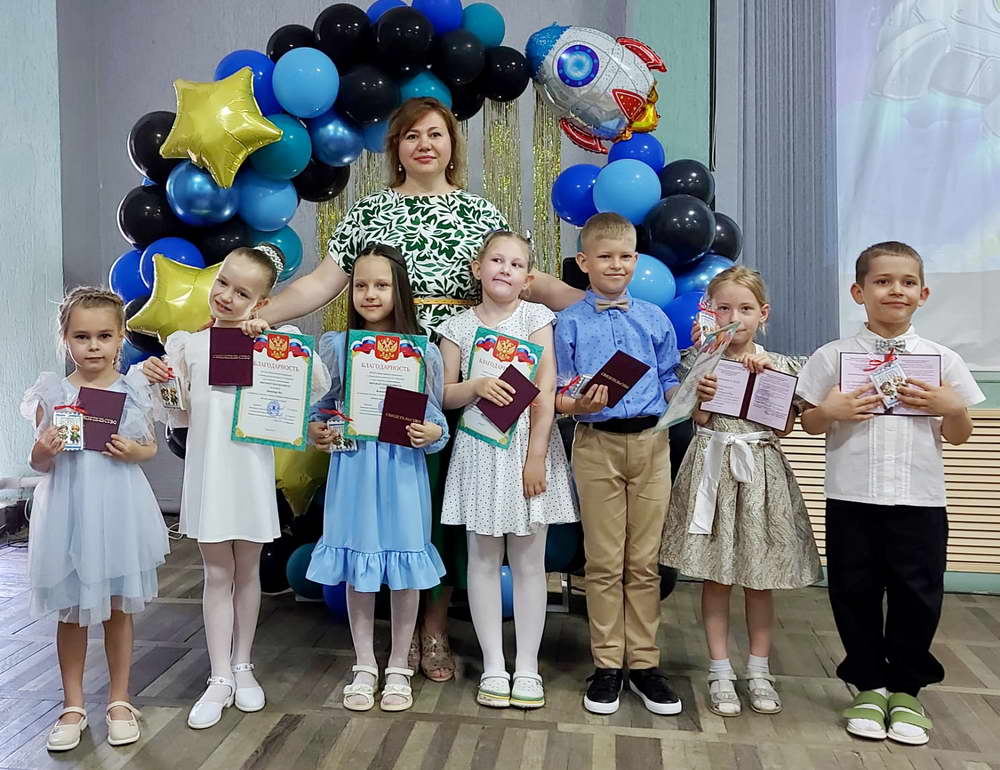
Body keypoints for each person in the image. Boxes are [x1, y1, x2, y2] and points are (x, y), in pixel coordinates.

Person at [246, 97, 582, 682]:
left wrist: (598, 304)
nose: (424, 144)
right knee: (402, 505)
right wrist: (258, 314)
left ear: (452, 145)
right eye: (411, 136)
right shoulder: (368, 212)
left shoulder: (479, 212)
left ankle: (434, 629)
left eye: (436, 134)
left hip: (458, 377)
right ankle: (385, 642)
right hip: (381, 380)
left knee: (447, 514)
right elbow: (322, 284)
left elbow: (525, 278)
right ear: (395, 149)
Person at [796, 241, 984, 745]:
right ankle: (868, 685)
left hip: (920, 499)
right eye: (882, 281)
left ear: (923, 294)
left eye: (906, 282)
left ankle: (906, 690)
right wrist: (829, 412)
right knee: (852, 590)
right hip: (851, 496)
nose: (895, 290)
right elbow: (809, 422)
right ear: (858, 292)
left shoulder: (943, 360)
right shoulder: (831, 356)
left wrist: (952, 407)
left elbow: (960, 435)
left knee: (917, 594)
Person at [142, 246, 328, 729]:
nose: (226, 296)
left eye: (242, 293)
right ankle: (219, 675)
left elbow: (316, 383)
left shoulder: (273, 344)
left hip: (250, 474)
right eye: (223, 282)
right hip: (209, 475)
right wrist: (158, 378)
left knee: (247, 572)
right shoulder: (189, 345)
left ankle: (243, 664)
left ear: (261, 302)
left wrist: (274, 341)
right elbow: (178, 413)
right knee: (216, 573)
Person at [660, 266, 822, 718]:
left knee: (759, 578)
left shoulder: (781, 365)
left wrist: (766, 382)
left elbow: (785, 427)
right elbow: (694, 418)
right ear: (709, 312)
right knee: (716, 577)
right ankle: (719, 669)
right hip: (712, 468)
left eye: (746, 309)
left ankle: (758, 669)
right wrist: (705, 388)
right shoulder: (697, 361)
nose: (735, 318)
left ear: (762, 314)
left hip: (760, 474)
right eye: (724, 308)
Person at [23, 287, 169, 751]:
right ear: (65, 338)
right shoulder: (52, 393)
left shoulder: (133, 390)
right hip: (69, 509)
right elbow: (39, 464)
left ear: (121, 337)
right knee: (71, 611)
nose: (93, 346)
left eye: (104, 336)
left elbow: (149, 447)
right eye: (82, 337)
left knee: (118, 609)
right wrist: (43, 450)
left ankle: (120, 700)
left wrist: (133, 452)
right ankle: (73, 705)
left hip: (117, 507)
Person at [437, 231, 578, 709]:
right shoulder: (456, 327)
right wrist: (476, 386)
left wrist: (536, 455)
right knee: (481, 559)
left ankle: (528, 667)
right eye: (496, 260)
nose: (505, 270)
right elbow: (444, 394)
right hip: (479, 449)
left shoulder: (537, 318)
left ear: (527, 278)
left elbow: (546, 388)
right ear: (477, 268)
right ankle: (494, 665)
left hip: (526, 449)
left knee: (529, 562)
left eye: (516, 264)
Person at [307, 244, 449, 713]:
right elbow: (321, 409)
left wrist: (432, 432)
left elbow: (435, 418)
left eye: (381, 285)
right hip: (353, 470)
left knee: (406, 568)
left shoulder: (423, 351)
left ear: (398, 290)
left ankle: (399, 666)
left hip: (402, 471)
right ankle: (365, 663)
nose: (370, 294)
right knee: (360, 568)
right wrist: (318, 430)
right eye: (361, 285)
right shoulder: (337, 347)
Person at [554, 212, 682, 716]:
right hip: (595, 444)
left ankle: (645, 664)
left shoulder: (653, 318)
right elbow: (559, 390)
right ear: (584, 262)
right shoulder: (569, 322)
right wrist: (576, 403)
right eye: (605, 256)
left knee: (644, 562)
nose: (616, 265)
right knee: (604, 562)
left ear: (636, 260)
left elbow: (669, 376)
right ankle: (607, 665)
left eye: (626, 256)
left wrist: (684, 394)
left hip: (651, 444)